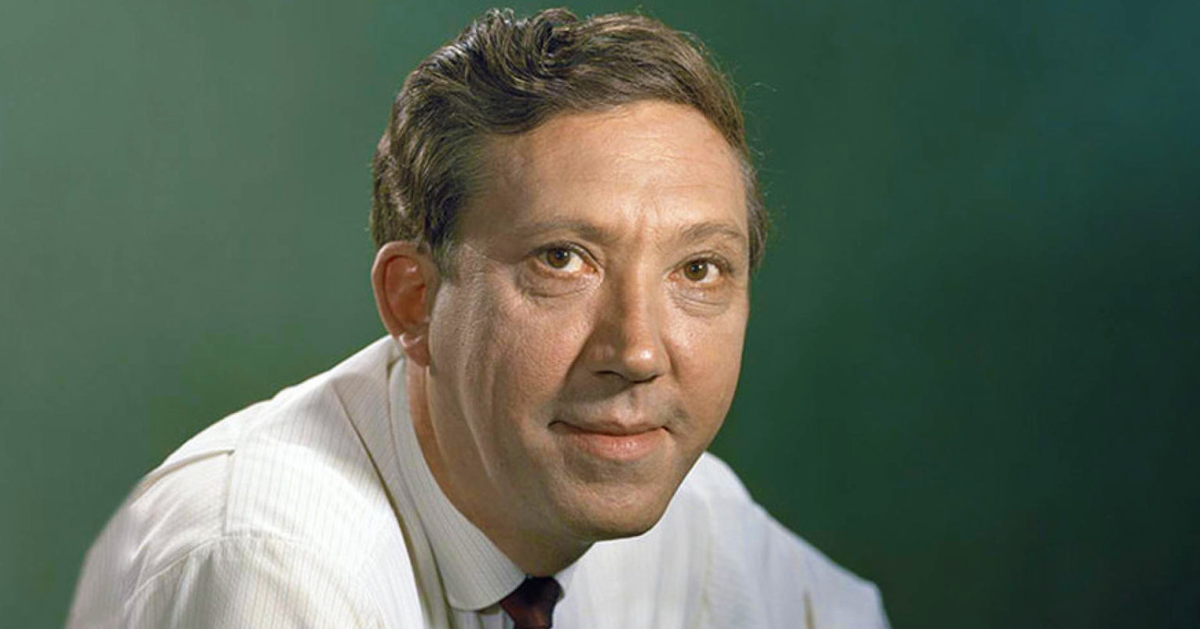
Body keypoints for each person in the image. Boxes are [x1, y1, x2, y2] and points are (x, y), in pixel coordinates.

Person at [68, 8, 890, 628]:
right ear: (414, 301)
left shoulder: (691, 514)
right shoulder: (268, 564)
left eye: (698, 269)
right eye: (562, 258)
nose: (639, 350)